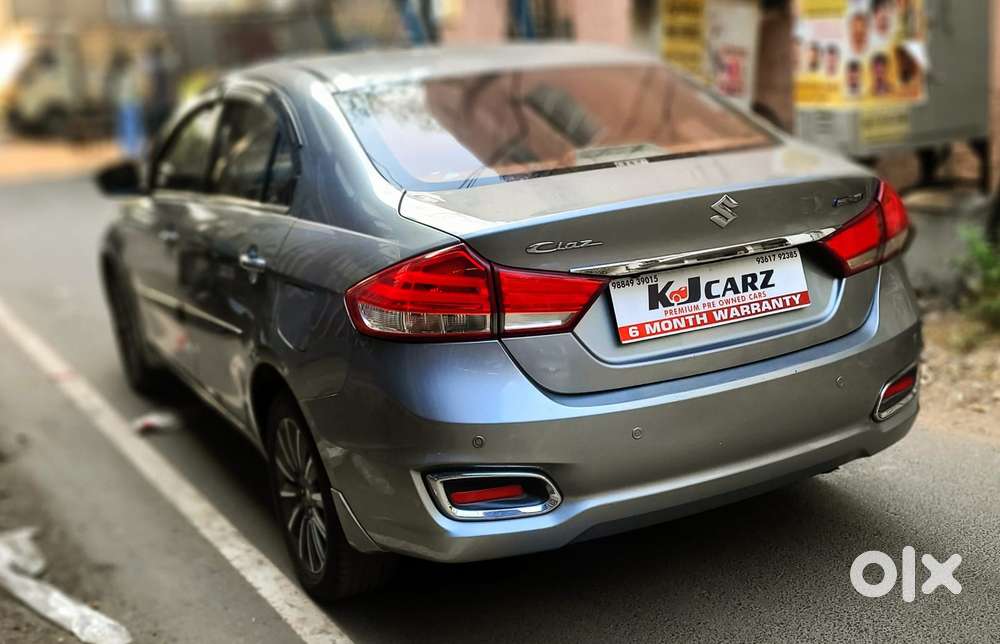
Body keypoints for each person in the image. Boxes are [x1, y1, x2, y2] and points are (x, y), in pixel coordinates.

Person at [107, 49, 145, 158]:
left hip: (128, 103)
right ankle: (131, 150)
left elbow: (132, 88)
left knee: (130, 126)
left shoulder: (124, 73)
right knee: (129, 126)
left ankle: (132, 150)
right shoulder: (123, 73)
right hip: (127, 103)